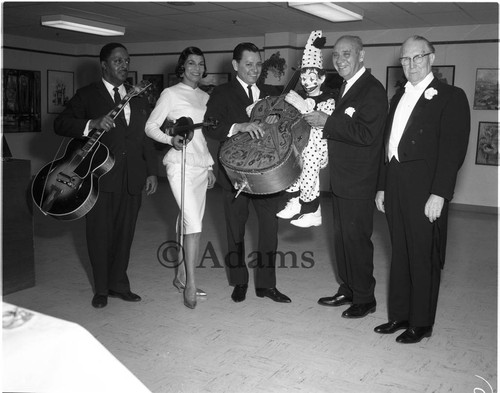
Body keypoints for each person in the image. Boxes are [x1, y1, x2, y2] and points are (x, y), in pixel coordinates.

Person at [374, 36, 470, 343]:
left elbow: (453, 151)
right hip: (395, 184)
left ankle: (422, 322)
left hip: (425, 189)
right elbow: (386, 146)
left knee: (422, 255)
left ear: (432, 57)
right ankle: (400, 316)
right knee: (400, 252)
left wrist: (440, 193)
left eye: (418, 57)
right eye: (405, 59)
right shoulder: (397, 96)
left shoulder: (450, 96)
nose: (411, 64)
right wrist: (381, 187)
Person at [54, 42, 158, 308]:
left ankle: (119, 285)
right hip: (98, 179)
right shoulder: (88, 95)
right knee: (99, 234)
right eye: (118, 61)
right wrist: (91, 124)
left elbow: (143, 137)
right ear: (104, 65)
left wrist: (151, 171)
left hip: (132, 177)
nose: (124, 66)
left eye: (127, 61)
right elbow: (61, 124)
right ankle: (101, 288)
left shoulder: (137, 96)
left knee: (125, 234)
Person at [306, 36, 388, 318]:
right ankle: (348, 288)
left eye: (347, 54)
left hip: (360, 180)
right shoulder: (344, 86)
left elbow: (367, 134)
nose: (340, 60)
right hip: (342, 179)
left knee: (357, 240)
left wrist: (328, 122)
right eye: (336, 56)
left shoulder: (373, 90)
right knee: (341, 238)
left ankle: (365, 298)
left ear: (361, 56)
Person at [203, 42, 291, 304]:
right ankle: (239, 281)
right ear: (235, 65)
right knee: (235, 231)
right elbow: (211, 127)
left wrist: (278, 121)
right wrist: (237, 126)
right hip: (235, 175)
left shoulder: (270, 92)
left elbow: (284, 124)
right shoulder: (221, 93)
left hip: (266, 175)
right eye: (249, 64)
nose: (255, 69)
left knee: (269, 229)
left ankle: (266, 285)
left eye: (258, 64)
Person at [145, 47, 216, 309]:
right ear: (182, 67)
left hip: (199, 164)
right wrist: (170, 140)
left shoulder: (204, 96)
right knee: (194, 225)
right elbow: (150, 126)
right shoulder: (170, 93)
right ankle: (191, 285)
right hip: (180, 164)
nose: (196, 68)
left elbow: (203, 136)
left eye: (200, 63)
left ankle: (180, 276)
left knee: (186, 222)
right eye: (191, 63)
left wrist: (209, 167)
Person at [278, 30, 335, 228]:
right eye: (303, 77)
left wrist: (304, 107)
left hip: (319, 148)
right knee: (292, 157)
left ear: (321, 78)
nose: (306, 81)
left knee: (308, 158)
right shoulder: (299, 95)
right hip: (301, 143)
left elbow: (322, 126)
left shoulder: (328, 99)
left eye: (311, 77)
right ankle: (295, 200)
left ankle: (311, 209)